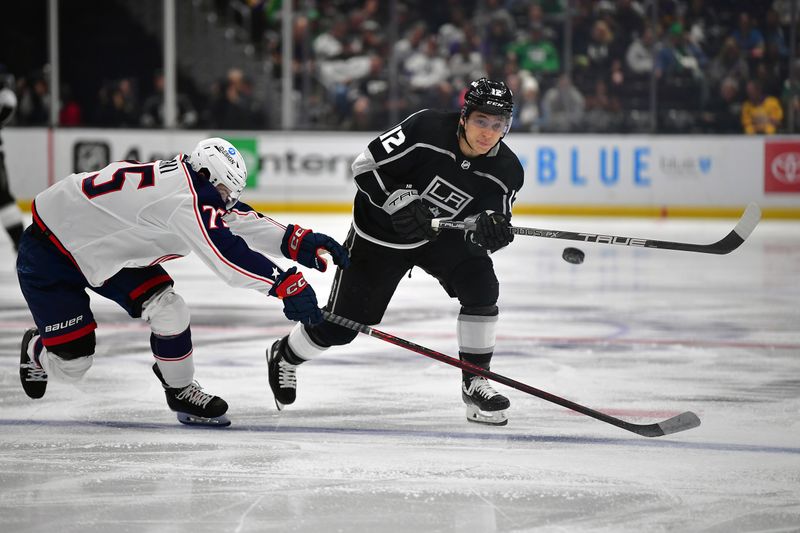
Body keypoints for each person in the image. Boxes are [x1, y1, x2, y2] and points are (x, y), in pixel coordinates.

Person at [16, 137, 350, 426]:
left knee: (169, 310)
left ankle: (179, 390)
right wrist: (283, 284)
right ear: (206, 175)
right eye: (223, 190)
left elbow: (234, 220)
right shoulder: (187, 198)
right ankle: (35, 348)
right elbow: (226, 254)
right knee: (72, 366)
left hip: (106, 250)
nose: (226, 199)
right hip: (53, 252)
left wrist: (298, 242)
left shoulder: (188, 185)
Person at [267, 78, 524, 426]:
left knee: (481, 285)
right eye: (482, 120)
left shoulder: (507, 170)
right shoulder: (426, 127)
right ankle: (285, 354)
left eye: (499, 125)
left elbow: (493, 220)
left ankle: (475, 381)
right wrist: (398, 201)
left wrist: (491, 230)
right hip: (379, 236)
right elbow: (363, 165)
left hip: (440, 236)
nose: (488, 133)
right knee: (343, 327)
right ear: (464, 117)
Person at [0, 64, 24, 251]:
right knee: (3, 198)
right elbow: (9, 102)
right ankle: (20, 239)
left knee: (3, 198)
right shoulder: (7, 97)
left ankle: (19, 239)